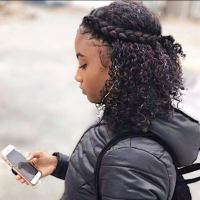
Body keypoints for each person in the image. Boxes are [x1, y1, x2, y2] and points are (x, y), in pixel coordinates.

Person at [16, 2, 200, 200]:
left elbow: (121, 171)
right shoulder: (130, 119)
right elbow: (106, 175)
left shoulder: (133, 158)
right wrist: (58, 165)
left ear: (120, 68)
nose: (77, 76)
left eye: (84, 64)